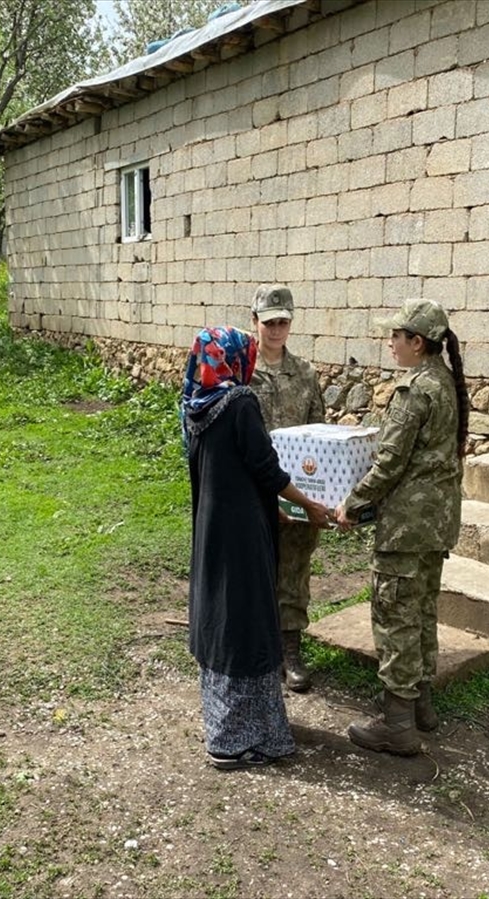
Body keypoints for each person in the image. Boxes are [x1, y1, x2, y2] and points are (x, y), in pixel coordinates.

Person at [181, 326, 330, 771]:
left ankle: (229, 725)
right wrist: (309, 504)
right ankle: (234, 741)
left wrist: (273, 507)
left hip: (213, 530)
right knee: (247, 622)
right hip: (243, 535)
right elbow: (266, 466)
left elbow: (231, 468)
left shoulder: (196, 402)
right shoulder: (241, 402)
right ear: (234, 359)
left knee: (223, 617)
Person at [335, 299, 469, 756]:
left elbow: (390, 462)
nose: (390, 343)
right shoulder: (445, 382)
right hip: (435, 524)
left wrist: (353, 503)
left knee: (394, 617)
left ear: (417, 342)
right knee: (422, 611)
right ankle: (421, 706)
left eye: (396, 336)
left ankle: (397, 723)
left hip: (407, 528)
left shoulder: (415, 391)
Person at [247, 283, 327, 693]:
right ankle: (258, 650)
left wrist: (315, 497)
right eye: (270, 322)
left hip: (297, 493)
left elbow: (319, 438)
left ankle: (290, 651)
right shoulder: (242, 372)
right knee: (254, 569)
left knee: (294, 570)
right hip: (254, 489)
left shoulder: (306, 374)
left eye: (284, 322)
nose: (277, 330)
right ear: (255, 321)